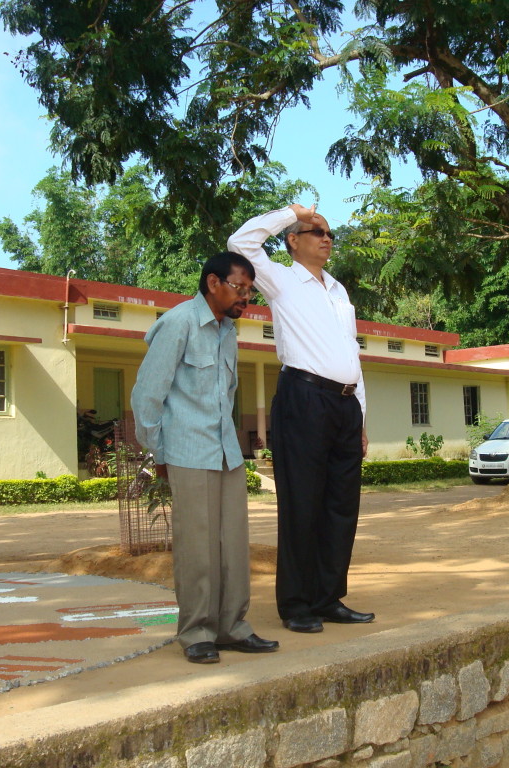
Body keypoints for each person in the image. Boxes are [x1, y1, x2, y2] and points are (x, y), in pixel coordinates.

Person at [228, 203, 373, 634]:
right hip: (304, 398)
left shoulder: (339, 291)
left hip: (345, 405)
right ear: (292, 240)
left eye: (329, 234)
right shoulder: (280, 278)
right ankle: (296, 604)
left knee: (341, 507)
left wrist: (361, 414)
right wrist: (290, 212)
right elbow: (241, 243)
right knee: (302, 505)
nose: (326, 238)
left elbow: (352, 353)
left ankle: (329, 598)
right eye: (315, 231)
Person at [131, 252, 279, 663]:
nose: (246, 296)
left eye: (250, 290)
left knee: (233, 543)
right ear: (213, 282)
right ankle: (196, 631)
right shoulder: (178, 323)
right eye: (239, 287)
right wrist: (158, 451)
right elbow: (148, 394)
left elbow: (226, 397)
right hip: (187, 450)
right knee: (197, 546)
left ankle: (233, 627)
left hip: (226, 452)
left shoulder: (228, 331)